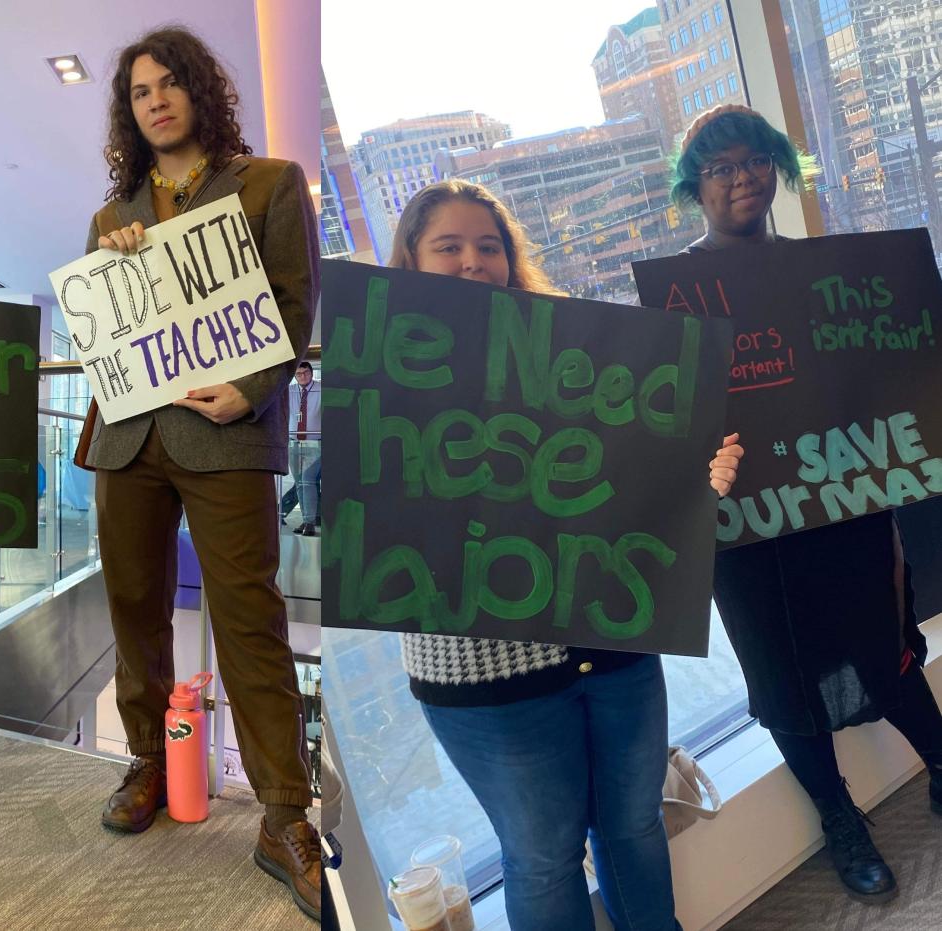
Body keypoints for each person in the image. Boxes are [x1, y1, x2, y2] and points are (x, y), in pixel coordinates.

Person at [387, 180, 742, 931]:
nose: (472, 262)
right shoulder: (379, 378)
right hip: (487, 676)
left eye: (489, 246)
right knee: (542, 856)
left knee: (636, 824)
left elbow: (636, 477)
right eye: (447, 247)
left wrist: (697, 477)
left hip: (612, 642)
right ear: (411, 262)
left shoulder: (576, 357)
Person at [71, 27, 321, 920]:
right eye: (140, 92)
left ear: (199, 93)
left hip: (225, 434)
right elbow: (102, 325)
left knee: (250, 617)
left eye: (170, 84)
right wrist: (116, 265)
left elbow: (294, 308)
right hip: (131, 441)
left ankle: (285, 812)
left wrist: (251, 388)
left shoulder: (268, 184)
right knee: (134, 606)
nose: (156, 100)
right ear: (129, 114)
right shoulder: (114, 216)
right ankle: (146, 761)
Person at [672, 103, 942, 903]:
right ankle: (840, 820)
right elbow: (665, 430)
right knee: (783, 679)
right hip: (748, 535)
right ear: (697, 185)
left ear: (778, 169)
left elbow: (886, 379)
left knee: (883, 648)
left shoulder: (828, 273)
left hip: (845, 505)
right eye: (720, 166)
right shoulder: (674, 295)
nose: (742, 176)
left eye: (755, 159)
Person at [282, 360, 321, 535]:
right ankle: (306, 521)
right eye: (298, 374)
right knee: (299, 483)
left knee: (307, 481)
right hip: (293, 442)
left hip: (316, 443)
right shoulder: (289, 391)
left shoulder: (321, 390)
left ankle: (310, 522)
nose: (302, 376)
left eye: (305, 373)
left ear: (311, 373)